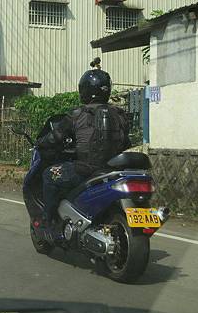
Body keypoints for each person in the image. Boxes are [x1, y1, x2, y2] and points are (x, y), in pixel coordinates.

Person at [31, 59, 131, 242]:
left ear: (84, 90)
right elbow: (126, 142)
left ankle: (49, 220)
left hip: (85, 169)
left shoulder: (78, 114)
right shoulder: (120, 114)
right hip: (113, 171)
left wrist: (41, 143)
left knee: (48, 175)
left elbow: (56, 137)